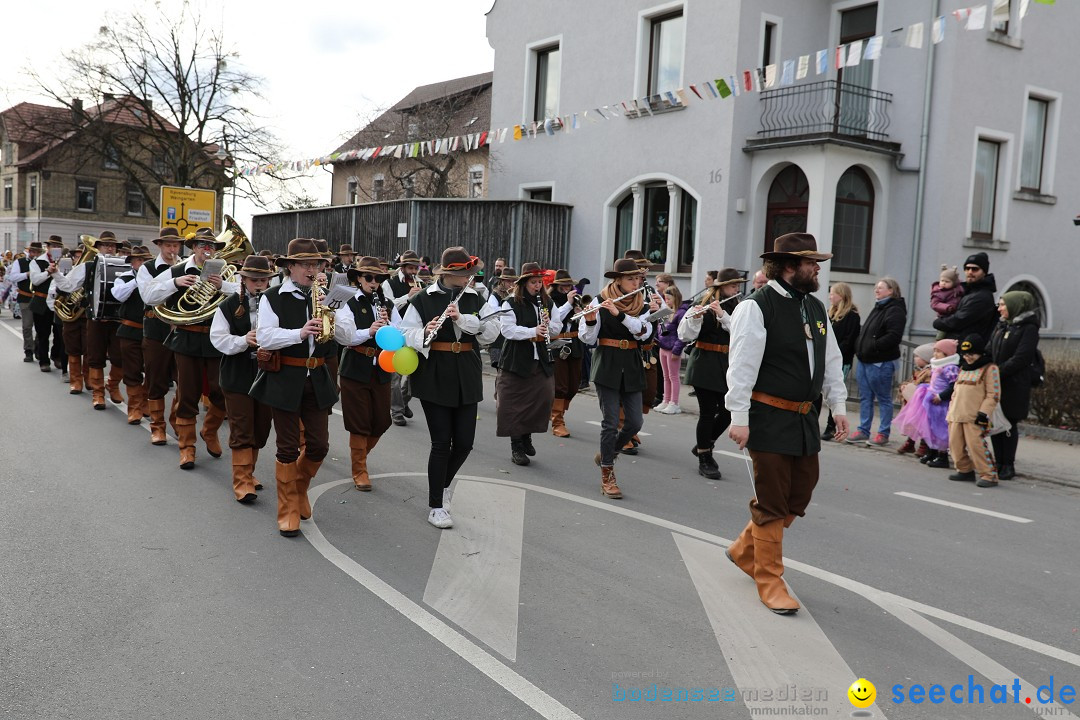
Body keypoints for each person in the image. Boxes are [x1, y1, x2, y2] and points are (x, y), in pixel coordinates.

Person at [724, 233, 848, 615]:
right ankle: (769, 579)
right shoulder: (756, 306)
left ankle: (746, 550)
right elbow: (741, 366)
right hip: (767, 416)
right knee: (773, 500)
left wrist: (838, 405)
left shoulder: (814, 306)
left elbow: (830, 360)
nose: (818, 269)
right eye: (812, 263)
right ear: (790, 265)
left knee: (801, 492)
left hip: (804, 417)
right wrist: (739, 417)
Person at [399, 247, 500, 528]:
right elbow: (404, 333)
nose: (468, 277)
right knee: (441, 442)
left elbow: (492, 332)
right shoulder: (423, 298)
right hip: (435, 371)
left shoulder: (476, 296)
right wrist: (425, 331)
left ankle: (442, 486)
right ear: (448, 274)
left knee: (465, 443)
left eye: (469, 273)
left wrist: (462, 319)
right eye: (462, 273)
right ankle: (435, 505)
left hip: (466, 369)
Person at [251, 238, 340, 537]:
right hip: (285, 377)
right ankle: (288, 508)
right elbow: (265, 337)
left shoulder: (323, 296)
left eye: (316, 264)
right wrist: (299, 333)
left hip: (317, 377)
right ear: (290, 267)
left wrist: (335, 318)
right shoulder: (273, 297)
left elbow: (342, 337)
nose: (312, 270)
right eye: (305, 264)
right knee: (287, 447)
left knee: (319, 445)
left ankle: (299, 489)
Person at [142, 227, 237, 468]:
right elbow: (149, 296)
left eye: (211, 246)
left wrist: (222, 287)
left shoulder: (225, 273)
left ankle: (210, 431)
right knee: (187, 394)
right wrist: (175, 282)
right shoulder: (177, 270)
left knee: (222, 392)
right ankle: (187, 447)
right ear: (193, 247)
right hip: (187, 339)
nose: (208, 249)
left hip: (216, 340)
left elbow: (245, 292)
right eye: (203, 245)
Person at [577, 258, 654, 499]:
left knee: (634, 423)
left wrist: (619, 314)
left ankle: (608, 452)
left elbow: (644, 333)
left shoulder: (644, 304)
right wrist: (590, 320)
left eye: (638, 278)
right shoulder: (600, 301)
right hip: (607, 363)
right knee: (610, 422)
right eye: (631, 278)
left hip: (631, 363)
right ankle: (607, 475)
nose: (636, 282)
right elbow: (588, 339)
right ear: (618, 280)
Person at [210, 255, 276, 504]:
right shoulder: (228, 305)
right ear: (244, 280)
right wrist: (242, 341)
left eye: (263, 280)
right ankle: (242, 481)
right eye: (254, 280)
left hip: (267, 371)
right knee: (241, 427)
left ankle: (250, 472)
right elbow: (218, 338)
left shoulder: (275, 303)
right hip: (237, 372)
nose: (259, 284)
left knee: (260, 427)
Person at [334, 256, 399, 491]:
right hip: (356, 365)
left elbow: (400, 333)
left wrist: (388, 325)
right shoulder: (348, 302)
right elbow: (345, 335)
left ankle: (360, 457)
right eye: (369, 278)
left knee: (382, 421)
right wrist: (369, 330)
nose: (374, 282)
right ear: (359, 279)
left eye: (378, 278)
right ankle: (359, 469)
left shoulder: (387, 304)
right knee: (359, 423)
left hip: (381, 367)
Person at [678, 267, 746, 479]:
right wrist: (696, 318)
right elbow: (684, 335)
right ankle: (705, 456)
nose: (737, 289)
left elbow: (742, 334)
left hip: (727, 363)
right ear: (722, 287)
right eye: (733, 285)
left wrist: (724, 316)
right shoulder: (702, 304)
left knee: (728, 410)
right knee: (708, 411)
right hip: (704, 362)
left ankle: (703, 443)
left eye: (737, 285)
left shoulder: (741, 307)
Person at [53, 231, 125, 411]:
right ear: (98, 247)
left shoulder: (124, 265)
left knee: (119, 357)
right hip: (95, 318)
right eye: (106, 245)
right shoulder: (87, 266)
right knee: (95, 356)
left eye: (113, 246)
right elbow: (68, 286)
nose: (110, 248)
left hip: (116, 318)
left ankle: (113, 385)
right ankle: (98, 393)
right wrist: (56, 274)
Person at [496, 262, 559, 465]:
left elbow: (557, 326)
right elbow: (507, 330)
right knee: (514, 402)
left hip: (540, 356)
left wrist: (549, 327)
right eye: (533, 282)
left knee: (544, 397)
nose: (538, 286)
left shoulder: (547, 303)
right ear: (524, 283)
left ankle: (527, 434)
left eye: (540, 282)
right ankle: (517, 446)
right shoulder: (510, 303)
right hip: (516, 357)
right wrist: (532, 331)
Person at [137, 227, 184, 446]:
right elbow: (149, 296)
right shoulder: (147, 268)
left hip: (182, 332)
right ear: (160, 246)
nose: (172, 250)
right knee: (156, 380)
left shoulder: (187, 266)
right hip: (156, 330)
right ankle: (157, 426)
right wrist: (173, 279)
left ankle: (176, 419)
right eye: (168, 245)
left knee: (184, 382)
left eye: (176, 245)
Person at [988, 291, 1040, 481]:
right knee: (995, 422)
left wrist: (997, 372)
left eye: (1003, 304)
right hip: (996, 381)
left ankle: (1007, 465)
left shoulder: (1028, 328)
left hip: (1014, 384)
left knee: (1008, 423)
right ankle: (997, 462)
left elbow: (1022, 357)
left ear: (1015, 305)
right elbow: (989, 349)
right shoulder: (1002, 325)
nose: (999, 308)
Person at [848, 277, 906, 446]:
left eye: (880, 287)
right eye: (876, 287)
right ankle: (863, 430)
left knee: (883, 399)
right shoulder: (879, 306)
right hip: (866, 360)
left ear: (891, 291)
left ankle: (883, 433)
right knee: (865, 398)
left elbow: (894, 336)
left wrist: (872, 346)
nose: (876, 290)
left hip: (881, 362)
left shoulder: (895, 310)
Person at [947, 334, 1001, 488]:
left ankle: (989, 474)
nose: (968, 357)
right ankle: (964, 470)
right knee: (954, 445)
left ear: (980, 353)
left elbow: (993, 394)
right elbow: (956, 391)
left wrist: (984, 413)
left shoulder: (990, 368)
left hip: (975, 416)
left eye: (971, 354)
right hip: (956, 414)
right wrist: (950, 411)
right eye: (965, 354)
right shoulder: (963, 367)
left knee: (976, 445)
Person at [895, 341, 959, 468]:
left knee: (940, 429)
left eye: (938, 351)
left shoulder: (950, 367)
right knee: (930, 427)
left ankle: (942, 456)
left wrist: (941, 396)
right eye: (934, 351)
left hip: (942, 403)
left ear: (947, 353)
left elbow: (954, 385)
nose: (935, 354)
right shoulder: (936, 365)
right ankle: (932, 452)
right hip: (931, 401)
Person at [111, 245, 153, 425]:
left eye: (146, 261)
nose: (143, 264)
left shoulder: (156, 279)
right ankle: (134, 408)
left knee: (152, 370)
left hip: (151, 331)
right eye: (140, 261)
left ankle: (145, 403)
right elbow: (118, 295)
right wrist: (138, 280)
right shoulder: (125, 278)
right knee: (132, 370)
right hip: (130, 330)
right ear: (133, 263)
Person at [383, 249, 422, 426]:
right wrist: (408, 296)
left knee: (414, 374)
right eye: (411, 268)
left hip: (414, 332)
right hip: (395, 332)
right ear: (403, 267)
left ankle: (404, 401)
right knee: (395, 376)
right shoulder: (389, 284)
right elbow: (388, 306)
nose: (414, 272)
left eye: (416, 268)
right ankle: (396, 411)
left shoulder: (420, 283)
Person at [821, 282, 860, 440]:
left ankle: (832, 426)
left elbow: (849, 340)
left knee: (836, 391)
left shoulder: (852, 315)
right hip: (825, 358)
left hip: (842, 360)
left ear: (842, 295)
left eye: (833, 293)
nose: (830, 296)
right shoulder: (830, 313)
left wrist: (834, 353)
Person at [548, 269, 584, 438]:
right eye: (563, 285)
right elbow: (555, 318)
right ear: (557, 286)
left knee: (573, 385)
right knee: (560, 385)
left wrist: (581, 314)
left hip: (575, 342)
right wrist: (569, 304)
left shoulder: (576, 301)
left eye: (569, 285)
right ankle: (557, 420)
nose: (567, 288)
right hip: (559, 342)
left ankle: (556, 412)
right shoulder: (551, 300)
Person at [932, 252, 997, 345]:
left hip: (965, 348)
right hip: (954, 343)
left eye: (975, 269)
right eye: (967, 268)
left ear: (984, 272)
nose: (970, 272)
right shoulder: (964, 291)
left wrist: (938, 322)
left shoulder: (982, 296)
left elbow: (959, 319)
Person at [894, 343, 934, 455]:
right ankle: (910, 443)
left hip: (923, 404)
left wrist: (915, 389)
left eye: (918, 357)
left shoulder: (930, 372)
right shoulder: (918, 370)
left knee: (923, 425)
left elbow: (928, 386)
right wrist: (905, 386)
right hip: (914, 404)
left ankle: (923, 445)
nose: (915, 359)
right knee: (912, 424)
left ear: (927, 359)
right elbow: (912, 382)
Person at [10, 240, 44, 362]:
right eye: (32, 251)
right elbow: (12, 277)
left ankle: (39, 348)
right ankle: (28, 350)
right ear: (29, 251)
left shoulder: (44, 263)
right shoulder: (20, 262)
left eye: (37, 252)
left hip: (40, 298)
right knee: (27, 325)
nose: (34, 254)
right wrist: (27, 274)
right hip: (25, 297)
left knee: (41, 326)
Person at [656, 284, 686, 414]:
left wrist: (677, 350)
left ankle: (674, 403)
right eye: (665, 299)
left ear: (675, 298)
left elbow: (683, 334)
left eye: (668, 299)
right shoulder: (667, 311)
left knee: (673, 376)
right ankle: (666, 400)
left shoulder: (681, 313)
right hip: (663, 347)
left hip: (672, 348)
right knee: (665, 376)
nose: (666, 301)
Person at [485, 266, 516, 369]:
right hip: (498, 339)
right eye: (508, 281)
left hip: (512, 338)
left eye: (513, 281)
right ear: (502, 281)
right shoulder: (495, 294)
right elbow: (493, 312)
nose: (511, 284)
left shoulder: (517, 294)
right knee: (501, 369)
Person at [930, 265, 964, 335]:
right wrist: (947, 307)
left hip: (955, 315)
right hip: (944, 316)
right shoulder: (938, 292)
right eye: (942, 281)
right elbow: (935, 304)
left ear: (954, 283)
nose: (944, 283)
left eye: (947, 281)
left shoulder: (958, 289)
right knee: (942, 333)